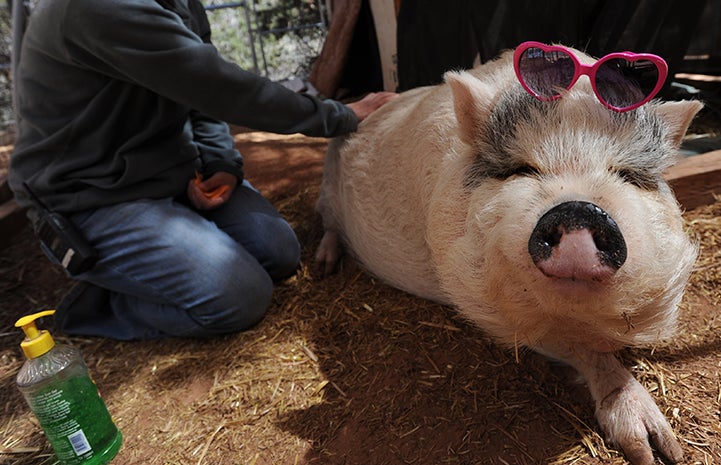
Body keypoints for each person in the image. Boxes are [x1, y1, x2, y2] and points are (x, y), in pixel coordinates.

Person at [8, 0, 396, 340]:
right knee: (240, 297)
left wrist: (219, 161)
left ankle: (165, 262)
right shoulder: (97, 8)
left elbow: (199, 94)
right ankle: (103, 303)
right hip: (91, 195)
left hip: (167, 174)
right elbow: (222, 88)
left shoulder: (177, 3)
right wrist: (340, 114)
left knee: (279, 253)